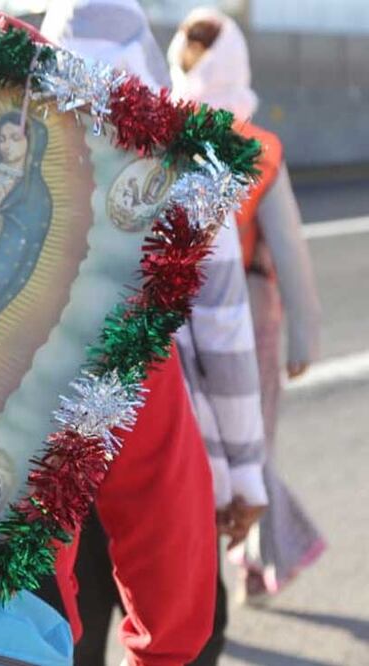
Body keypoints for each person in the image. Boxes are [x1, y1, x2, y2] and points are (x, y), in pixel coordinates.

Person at [43, 1, 267, 663]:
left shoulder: (24, 166)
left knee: (61, 629)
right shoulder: (190, 175)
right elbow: (223, 335)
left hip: (43, 478)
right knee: (182, 629)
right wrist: (245, 476)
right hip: (166, 453)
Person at [169, 6, 325, 607]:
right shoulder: (259, 148)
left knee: (193, 438)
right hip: (250, 312)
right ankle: (255, 565)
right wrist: (304, 340)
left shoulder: (162, 136)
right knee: (251, 445)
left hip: (173, 306)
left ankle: (197, 560)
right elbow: (289, 252)